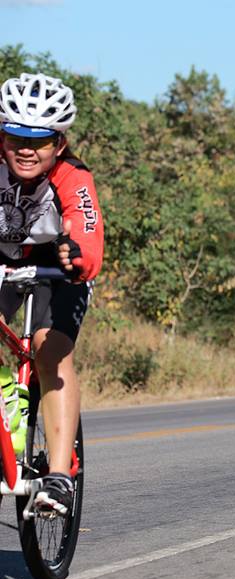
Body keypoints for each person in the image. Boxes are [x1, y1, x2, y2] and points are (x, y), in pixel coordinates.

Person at [0, 72, 104, 515]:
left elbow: (88, 230)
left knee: (49, 348)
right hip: (3, 259)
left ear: (58, 144)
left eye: (39, 140)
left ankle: (59, 477)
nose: (27, 149)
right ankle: (8, 393)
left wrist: (78, 254)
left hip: (55, 269)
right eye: (15, 137)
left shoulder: (72, 175)